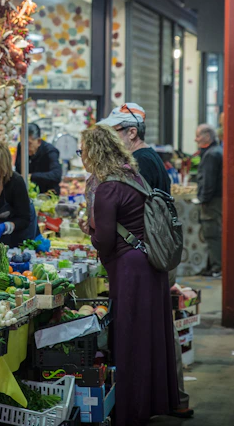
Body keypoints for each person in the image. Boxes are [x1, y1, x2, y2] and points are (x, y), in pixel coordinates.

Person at [78, 124, 179, 426]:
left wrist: (90, 231)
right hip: (149, 265)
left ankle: (132, 410)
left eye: (82, 150)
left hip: (131, 269)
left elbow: (105, 239)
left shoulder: (108, 187)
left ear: (94, 152)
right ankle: (151, 401)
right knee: (150, 337)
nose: (81, 156)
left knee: (132, 339)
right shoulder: (130, 176)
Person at [102, 103, 192, 419]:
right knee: (159, 330)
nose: (112, 138)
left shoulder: (140, 162)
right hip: (154, 253)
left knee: (150, 332)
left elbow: (132, 213)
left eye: (116, 131)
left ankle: (163, 399)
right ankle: (170, 397)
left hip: (147, 255)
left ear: (131, 132)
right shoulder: (150, 158)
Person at [98, 103, 170, 192]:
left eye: (113, 131)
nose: (109, 137)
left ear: (132, 133)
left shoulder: (141, 160)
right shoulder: (145, 155)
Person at [195, 123, 223, 278]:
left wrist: (203, 199)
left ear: (207, 136)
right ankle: (213, 265)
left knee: (211, 233)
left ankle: (216, 267)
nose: (195, 139)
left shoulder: (211, 155)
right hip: (215, 200)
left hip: (212, 202)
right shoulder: (215, 152)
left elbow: (208, 181)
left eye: (198, 135)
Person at [15, 123, 62, 194]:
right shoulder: (21, 147)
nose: (25, 147)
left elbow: (56, 175)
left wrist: (32, 176)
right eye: (23, 143)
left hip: (47, 194)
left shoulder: (50, 151)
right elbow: (18, 170)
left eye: (29, 143)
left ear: (39, 141)